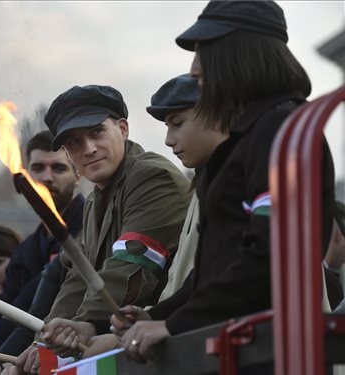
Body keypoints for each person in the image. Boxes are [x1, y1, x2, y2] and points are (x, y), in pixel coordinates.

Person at [112, 0, 335, 364]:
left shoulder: (282, 130)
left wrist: (176, 324)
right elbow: (217, 271)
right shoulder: (251, 138)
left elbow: (272, 258)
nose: (195, 68)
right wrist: (159, 316)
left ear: (240, 54)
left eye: (205, 51)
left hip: (264, 356)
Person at [8, 84, 192, 374]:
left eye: (97, 132)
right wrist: (45, 341)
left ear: (123, 129)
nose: (89, 149)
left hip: (165, 349)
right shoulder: (96, 199)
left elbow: (132, 263)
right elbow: (78, 276)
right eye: (74, 142)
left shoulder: (153, 178)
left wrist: (85, 325)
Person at [85, 73, 229, 356]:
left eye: (177, 124)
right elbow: (196, 282)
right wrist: (151, 317)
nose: (167, 139)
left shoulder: (155, 177)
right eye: (73, 143)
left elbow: (238, 279)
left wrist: (97, 327)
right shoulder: (208, 182)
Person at [0, 130, 84, 375]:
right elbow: (7, 313)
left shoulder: (90, 226)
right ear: (25, 177)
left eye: (58, 168)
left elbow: (37, 310)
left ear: (78, 175)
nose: (47, 177)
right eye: (38, 168)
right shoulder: (25, 251)